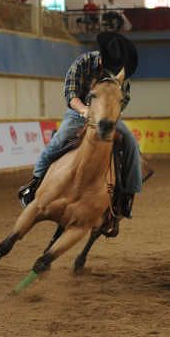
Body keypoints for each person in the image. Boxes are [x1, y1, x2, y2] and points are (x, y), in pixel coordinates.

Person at [18, 32, 142, 221]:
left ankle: (128, 195)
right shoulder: (83, 63)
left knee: (131, 144)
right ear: (102, 59)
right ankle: (34, 184)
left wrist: (109, 113)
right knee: (59, 140)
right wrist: (84, 110)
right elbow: (70, 94)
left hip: (107, 117)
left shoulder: (120, 74)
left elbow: (124, 99)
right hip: (79, 112)